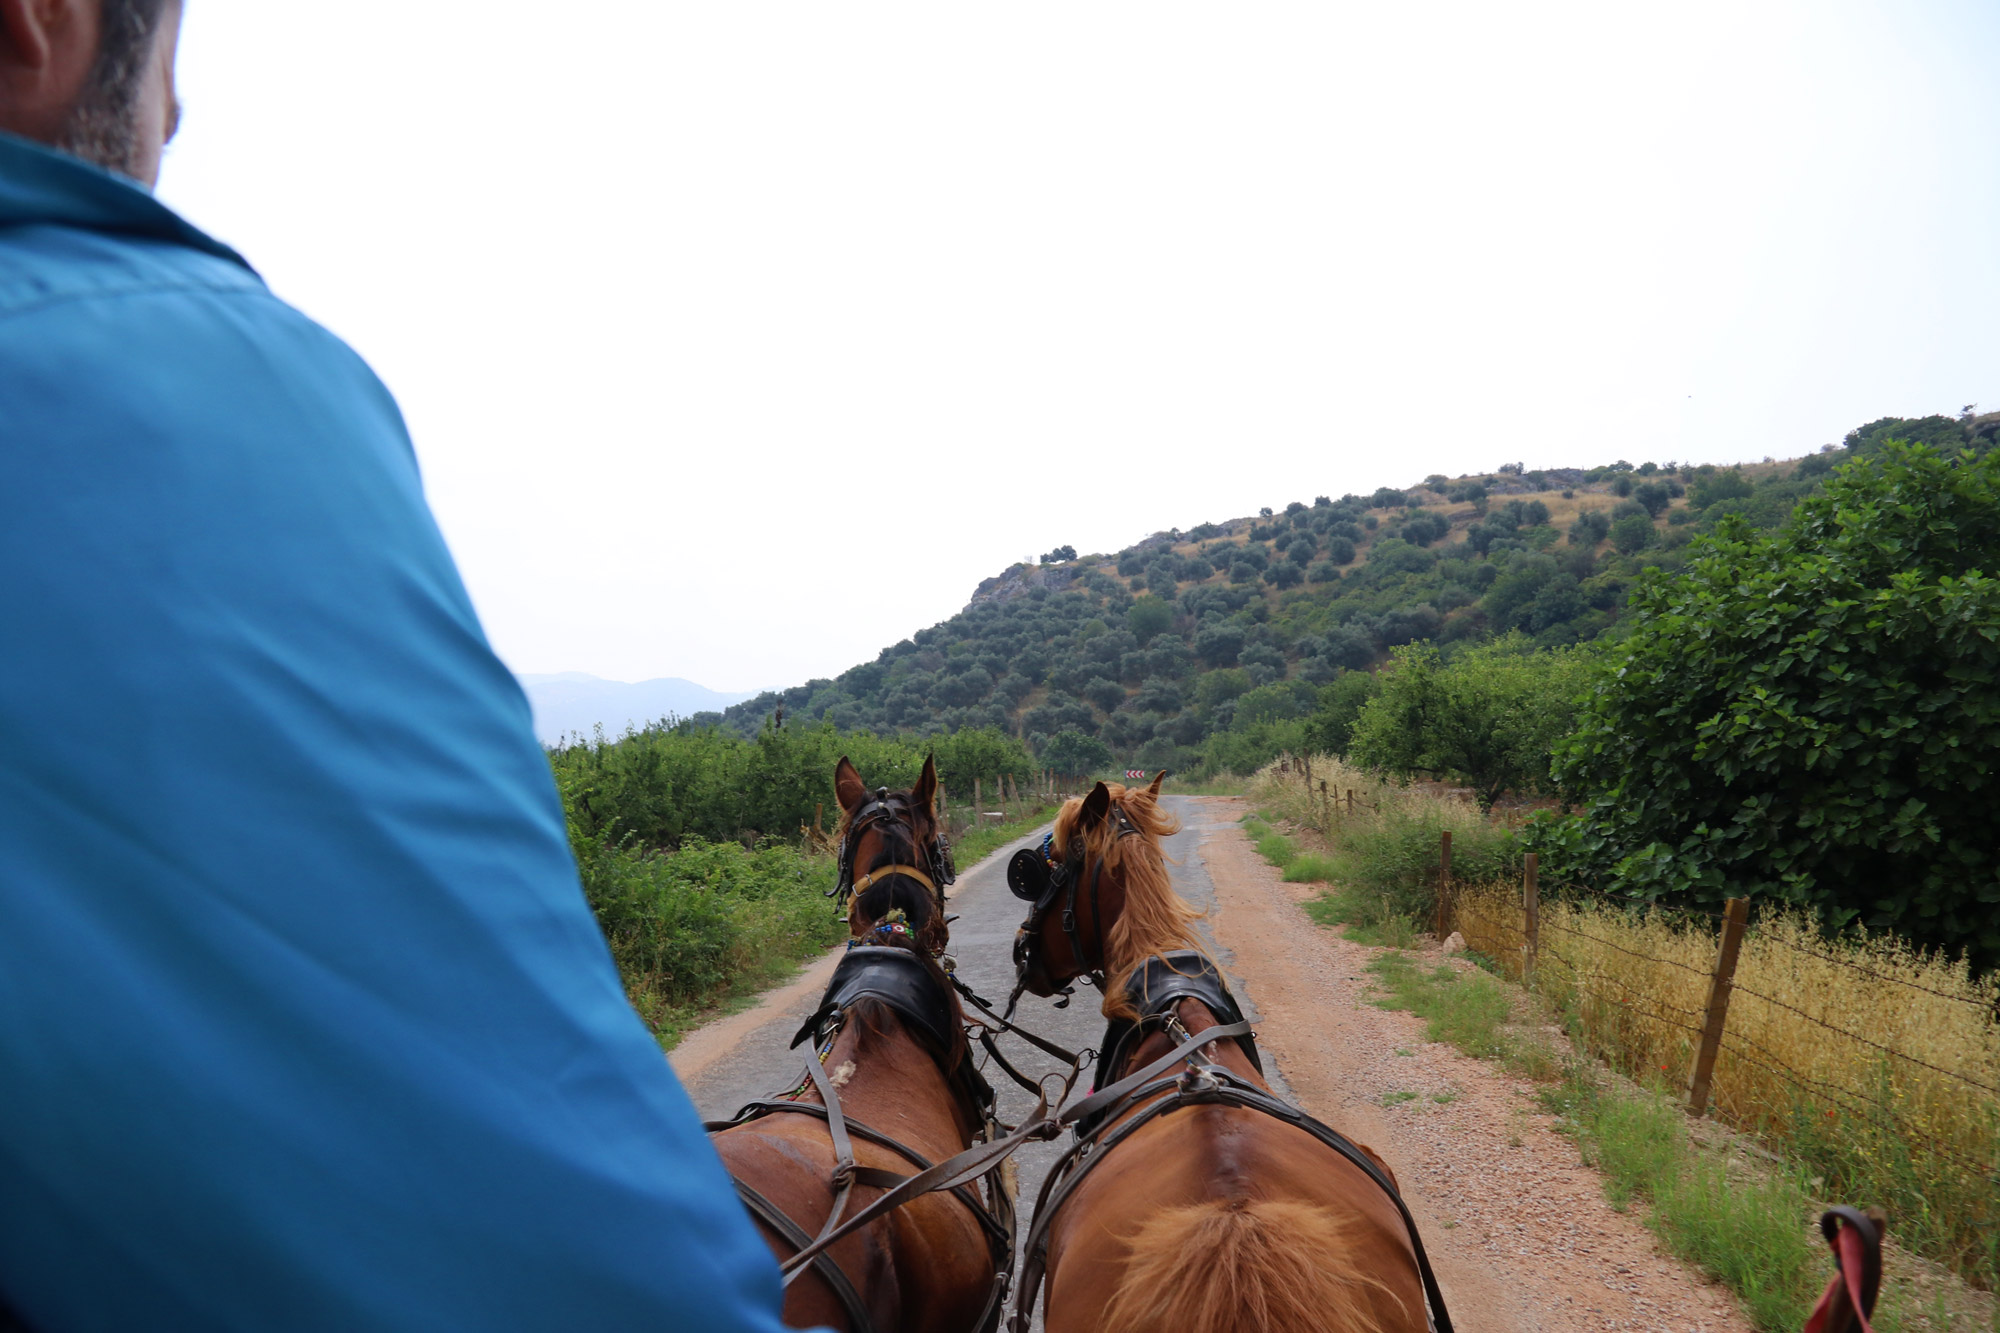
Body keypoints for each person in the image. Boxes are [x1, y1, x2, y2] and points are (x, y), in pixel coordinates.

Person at [0, 3, 797, 1327]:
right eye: (172, 70)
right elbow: (572, 1267)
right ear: (41, 23)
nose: (176, 122)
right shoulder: (189, 370)